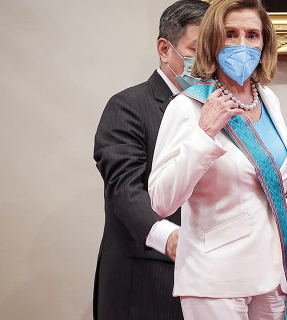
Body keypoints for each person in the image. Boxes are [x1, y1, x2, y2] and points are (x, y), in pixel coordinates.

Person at [147, 0, 287, 319]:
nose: (243, 45)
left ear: (264, 43)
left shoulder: (268, 100)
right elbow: (162, 200)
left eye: (252, 35)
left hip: (273, 275)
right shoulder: (187, 108)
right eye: (230, 34)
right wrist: (204, 134)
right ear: (213, 40)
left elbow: (279, 186)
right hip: (215, 278)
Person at [92, 1, 209, 319]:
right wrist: (168, 237)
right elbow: (123, 188)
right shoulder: (128, 105)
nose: (208, 63)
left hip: (214, 281)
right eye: (198, 49)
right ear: (164, 48)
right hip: (148, 278)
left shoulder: (219, 108)